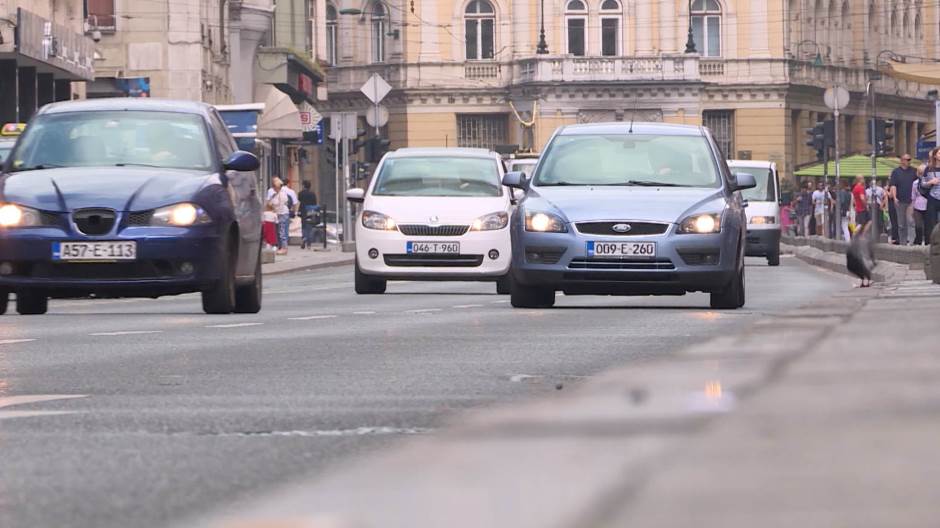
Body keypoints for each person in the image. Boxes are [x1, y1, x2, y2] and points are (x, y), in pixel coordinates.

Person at [889, 154, 917, 245]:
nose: (909, 161)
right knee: (901, 224)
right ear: (902, 161)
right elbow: (893, 185)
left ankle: (912, 241)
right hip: (900, 200)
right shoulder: (896, 172)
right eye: (907, 160)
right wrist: (895, 197)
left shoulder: (913, 171)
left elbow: (916, 184)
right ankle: (903, 242)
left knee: (911, 221)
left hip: (911, 201)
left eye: (910, 160)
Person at [266, 177, 291, 255]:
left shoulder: (281, 194)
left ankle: (284, 248)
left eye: (274, 186)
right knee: (280, 231)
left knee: (282, 231)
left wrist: (275, 210)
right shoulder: (277, 194)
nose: (273, 188)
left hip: (282, 214)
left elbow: (280, 205)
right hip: (280, 214)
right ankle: (282, 247)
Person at [923, 147, 940, 241]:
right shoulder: (928, 169)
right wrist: (931, 182)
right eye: (939, 153)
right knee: (931, 223)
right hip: (933, 198)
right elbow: (922, 184)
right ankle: (932, 243)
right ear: (935, 156)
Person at [298, 180, 319, 249]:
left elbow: (299, 199)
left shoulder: (301, 193)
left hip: (303, 211)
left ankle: (304, 238)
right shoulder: (312, 194)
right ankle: (309, 243)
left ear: (303, 186)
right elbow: (315, 202)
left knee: (304, 226)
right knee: (310, 226)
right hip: (311, 211)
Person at [913, 164, 928, 245]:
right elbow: (913, 196)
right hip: (917, 206)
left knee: (927, 226)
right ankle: (918, 242)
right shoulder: (915, 183)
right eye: (920, 172)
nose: (921, 174)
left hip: (928, 206)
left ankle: (927, 242)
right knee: (918, 226)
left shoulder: (929, 181)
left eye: (922, 172)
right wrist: (911, 207)